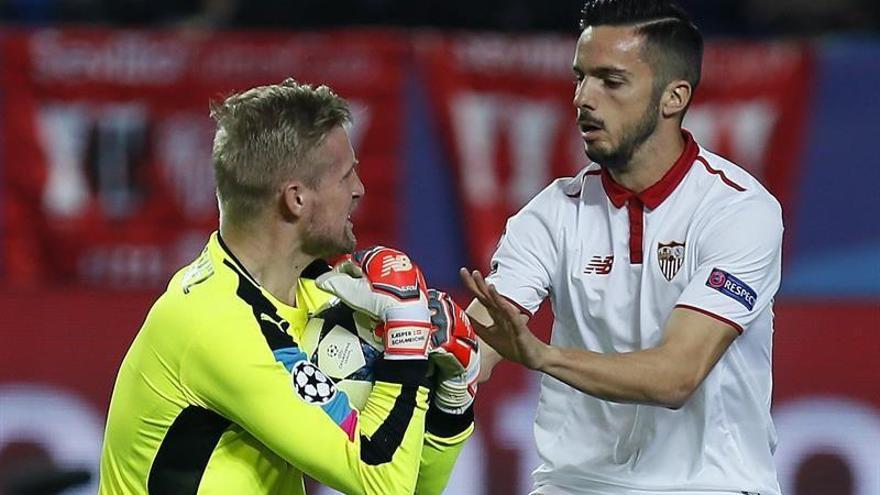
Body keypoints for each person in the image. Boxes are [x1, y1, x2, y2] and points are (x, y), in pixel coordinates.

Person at [460, 1, 783, 494]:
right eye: (579, 78)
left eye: (611, 81)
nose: (583, 99)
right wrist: (421, 345)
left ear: (673, 98)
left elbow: (677, 375)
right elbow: (484, 338)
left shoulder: (738, 210)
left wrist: (544, 356)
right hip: (574, 485)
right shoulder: (552, 213)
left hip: (708, 486)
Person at [98, 79, 476, 495]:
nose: (359, 190)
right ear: (296, 199)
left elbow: (407, 482)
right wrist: (406, 338)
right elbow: (380, 482)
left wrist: (451, 400)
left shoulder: (322, 297)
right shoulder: (215, 324)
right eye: (345, 175)